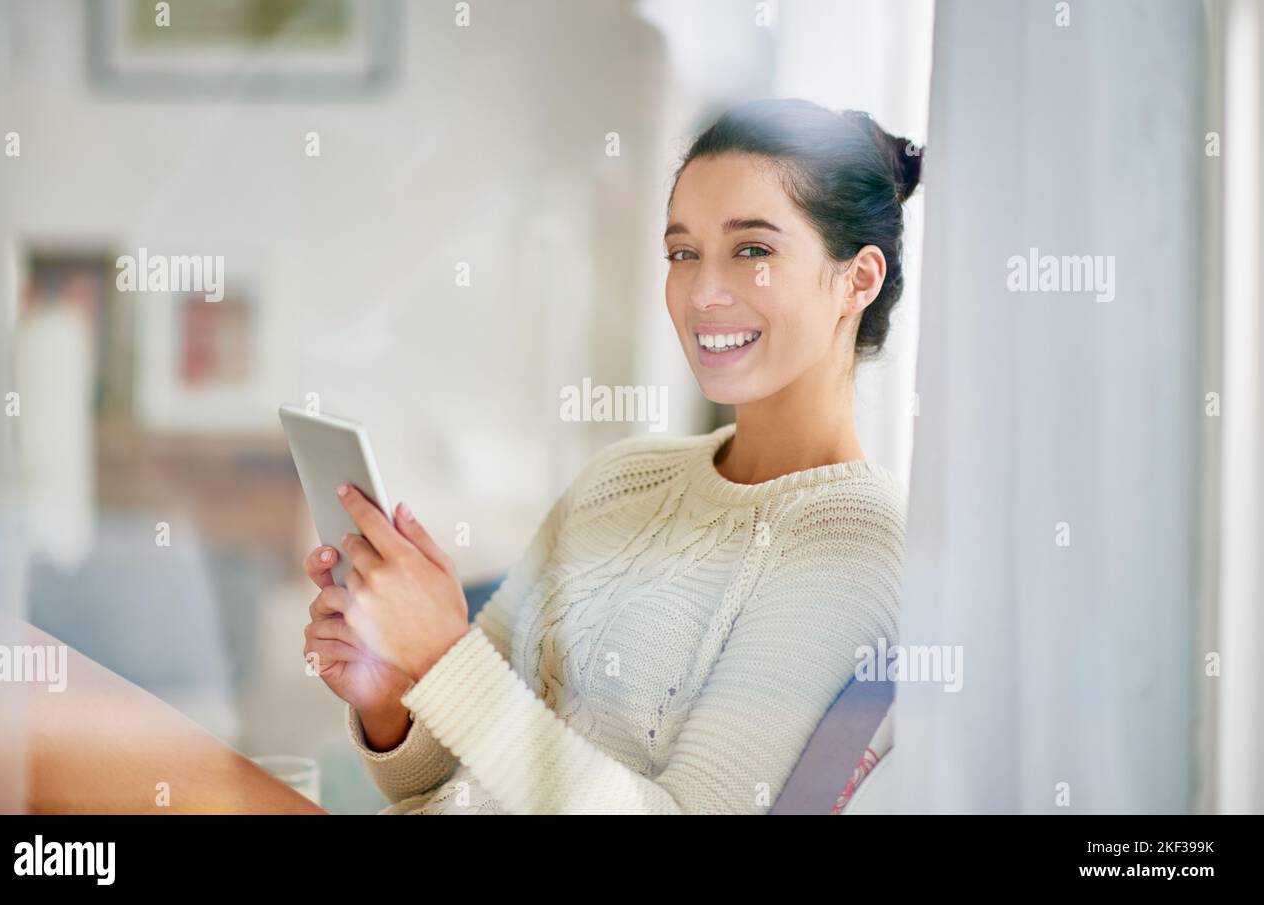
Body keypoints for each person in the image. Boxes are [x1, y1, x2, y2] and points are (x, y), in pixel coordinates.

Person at [302, 98, 923, 814]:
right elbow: (433, 778)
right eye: (683, 253)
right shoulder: (621, 479)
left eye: (752, 249)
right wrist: (391, 695)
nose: (704, 292)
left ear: (858, 279)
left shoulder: (856, 538)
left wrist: (445, 659)